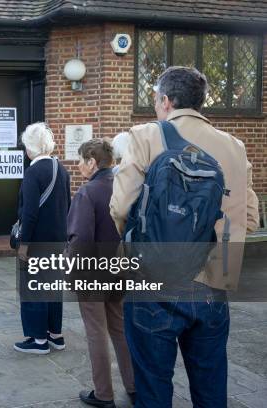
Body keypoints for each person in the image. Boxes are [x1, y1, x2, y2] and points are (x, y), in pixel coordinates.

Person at [110, 66, 260, 408]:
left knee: (153, 387)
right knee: (210, 388)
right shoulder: (235, 147)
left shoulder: (146, 136)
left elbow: (120, 207)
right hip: (215, 279)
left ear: (165, 101)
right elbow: (249, 219)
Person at [68, 139, 135, 408]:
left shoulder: (88, 192)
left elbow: (80, 240)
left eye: (81, 160)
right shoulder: (125, 189)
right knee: (119, 330)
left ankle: (104, 394)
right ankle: (134, 386)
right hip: (120, 270)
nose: (78, 165)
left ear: (92, 162)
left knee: (96, 332)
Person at [14, 122, 71, 354]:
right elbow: (67, 206)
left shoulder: (33, 172)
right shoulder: (62, 170)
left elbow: (29, 213)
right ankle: (55, 335)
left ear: (30, 148)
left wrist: (23, 244)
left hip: (37, 241)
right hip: (57, 240)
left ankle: (38, 340)